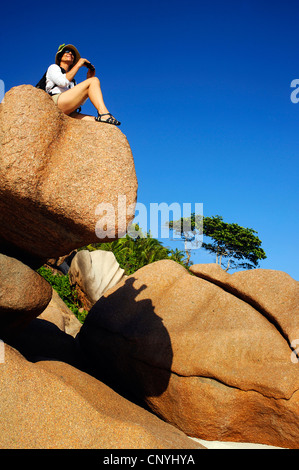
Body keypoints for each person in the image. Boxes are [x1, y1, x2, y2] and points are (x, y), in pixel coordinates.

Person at [46, 44, 121, 126]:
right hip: (56, 104)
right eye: (67, 51)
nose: (70, 53)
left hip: (70, 111)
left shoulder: (73, 81)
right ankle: (104, 113)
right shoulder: (53, 68)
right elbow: (62, 82)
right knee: (94, 80)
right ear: (60, 57)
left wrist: (88, 79)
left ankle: (104, 116)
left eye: (72, 54)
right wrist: (79, 65)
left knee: (102, 123)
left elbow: (81, 102)